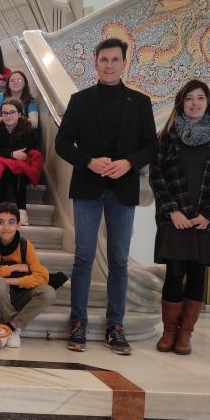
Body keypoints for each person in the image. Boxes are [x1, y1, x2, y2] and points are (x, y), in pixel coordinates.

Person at [55, 38, 157, 355]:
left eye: (115, 60)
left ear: (124, 63)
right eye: (104, 60)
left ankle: (116, 326)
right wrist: (87, 161)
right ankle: (78, 323)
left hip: (122, 190)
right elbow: (62, 143)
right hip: (88, 188)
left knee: (119, 260)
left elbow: (151, 146)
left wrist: (129, 163)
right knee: (84, 257)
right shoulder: (80, 100)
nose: (109, 65)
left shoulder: (140, 102)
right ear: (96, 63)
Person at [149, 80, 210, 355]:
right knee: (174, 274)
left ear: (208, 102)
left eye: (200, 98)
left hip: (208, 221)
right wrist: (173, 211)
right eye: (189, 98)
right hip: (174, 219)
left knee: (197, 276)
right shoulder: (167, 136)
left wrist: (209, 215)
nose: (195, 103)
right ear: (181, 102)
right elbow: (157, 177)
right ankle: (169, 331)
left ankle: (185, 334)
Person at [0, 202, 55, 348]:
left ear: (18, 225)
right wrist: (12, 268)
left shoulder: (25, 246)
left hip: (18, 295)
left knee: (48, 292)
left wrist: (10, 281)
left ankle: (11, 327)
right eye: (0, 222)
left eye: (11, 222)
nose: (6, 227)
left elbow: (42, 277)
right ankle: (13, 329)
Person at [0, 99, 41, 226]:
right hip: (3, 167)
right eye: (5, 113)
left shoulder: (28, 130)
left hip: (21, 170)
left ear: (19, 114)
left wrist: (4, 153)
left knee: (17, 172)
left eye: (12, 112)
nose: (8, 116)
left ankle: (21, 210)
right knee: (4, 171)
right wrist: (12, 154)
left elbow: (24, 154)